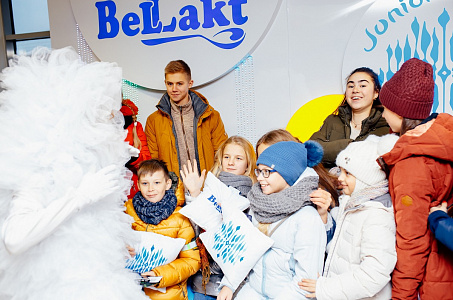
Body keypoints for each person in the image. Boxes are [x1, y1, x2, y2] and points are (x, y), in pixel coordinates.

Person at [0, 47, 148, 299]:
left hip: (97, 278)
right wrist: (80, 197)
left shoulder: (86, 165)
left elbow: (81, 227)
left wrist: (112, 241)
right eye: (102, 120)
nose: (111, 128)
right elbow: (15, 239)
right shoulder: (42, 171)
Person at [378, 58, 453, 299]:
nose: (383, 114)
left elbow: (412, 241)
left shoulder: (412, 163)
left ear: (400, 112)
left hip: (430, 282)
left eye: (385, 108)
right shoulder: (442, 137)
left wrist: (402, 296)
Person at [221, 141, 327, 299]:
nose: (260, 178)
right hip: (253, 291)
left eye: (267, 172)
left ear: (288, 173)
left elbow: (305, 284)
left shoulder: (307, 218)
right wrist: (229, 284)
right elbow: (243, 252)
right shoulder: (256, 205)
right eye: (259, 171)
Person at [299, 134, 398, 299]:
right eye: (340, 171)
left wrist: (325, 288)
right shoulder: (350, 203)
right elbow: (336, 244)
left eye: (348, 173)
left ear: (366, 178)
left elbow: (374, 275)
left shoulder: (377, 215)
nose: (340, 178)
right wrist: (323, 214)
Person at [179, 136, 257, 300]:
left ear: (248, 165)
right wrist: (194, 194)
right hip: (204, 280)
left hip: (236, 283)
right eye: (227, 157)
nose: (231, 162)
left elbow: (247, 244)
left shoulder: (253, 196)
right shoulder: (209, 187)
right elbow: (194, 231)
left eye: (238, 158)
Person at [145, 60, 228, 205]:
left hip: (208, 190)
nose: (174, 89)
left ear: (190, 83)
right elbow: (153, 162)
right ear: (165, 83)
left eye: (179, 83)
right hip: (172, 195)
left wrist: (215, 185)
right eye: (170, 84)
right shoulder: (154, 120)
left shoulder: (210, 115)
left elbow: (221, 155)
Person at [125, 159, 201, 300]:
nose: (150, 189)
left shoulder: (181, 218)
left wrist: (160, 274)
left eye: (157, 183)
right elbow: (107, 241)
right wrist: (120, 248)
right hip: (129, 291)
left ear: (167, 184)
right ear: (138, 185)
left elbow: (192, 260)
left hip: (169, 295)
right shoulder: (126, 212)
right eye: (145, 183)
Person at [255, 129, 337, 242]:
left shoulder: (315, 192)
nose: (265, 161)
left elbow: (328, 245)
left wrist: (323, 216)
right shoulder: (259, 192)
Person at [310, 67, 389, 168]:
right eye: (351, 86)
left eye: (362, 85)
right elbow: (311, 150)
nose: (355, 90)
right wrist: (350, 145)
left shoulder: (385, 126)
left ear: (376, 93)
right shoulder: (332, 121)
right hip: (330, 182)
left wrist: (332, 150)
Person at [121, 99, 152, 199]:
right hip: (105, 185)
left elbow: (147, 162)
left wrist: (134, 158)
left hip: (131, 188)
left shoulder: (134, 125)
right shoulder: (96, 125)